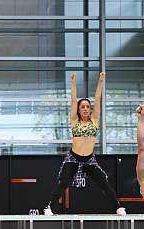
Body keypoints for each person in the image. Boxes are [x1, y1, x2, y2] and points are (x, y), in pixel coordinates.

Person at [44, 72, 125, 216]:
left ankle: (118, 207)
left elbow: (98, 99)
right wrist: (73, 84)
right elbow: (73, 100)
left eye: (88, 106)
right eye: (83, 107)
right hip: (73, 158)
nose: (86, 109)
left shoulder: (94, 120)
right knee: (64, 182)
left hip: (89, 160)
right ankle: (49, 207)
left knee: (104, 182)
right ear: (79, 110)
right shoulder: (75, 120)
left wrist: (100, 81)